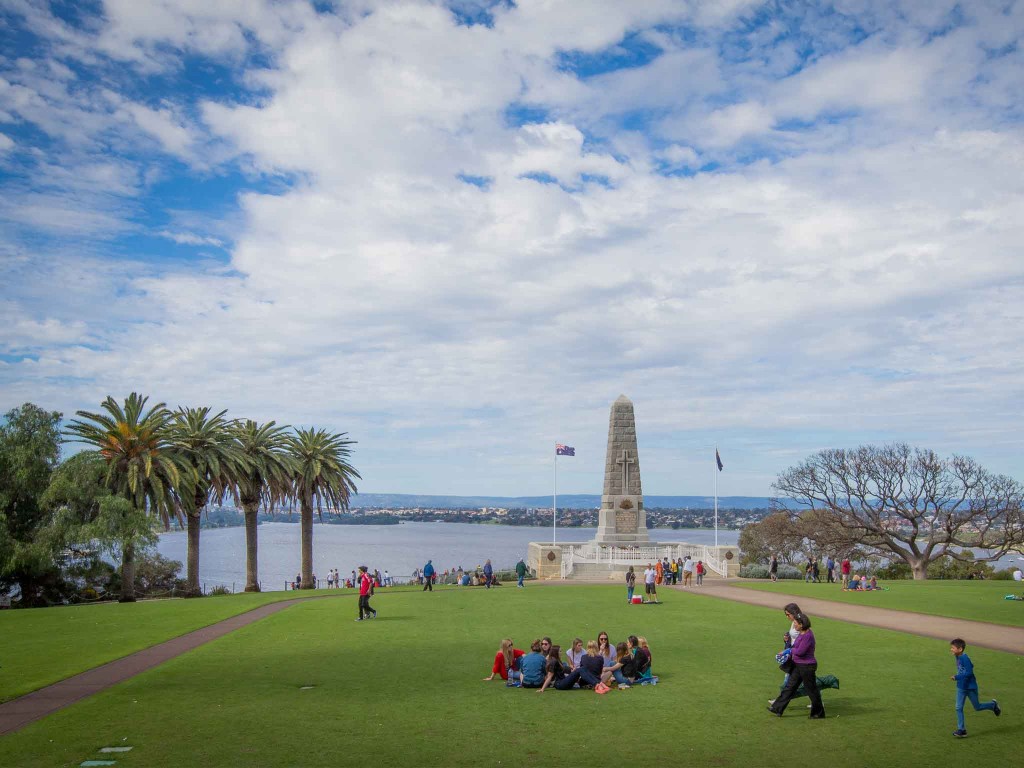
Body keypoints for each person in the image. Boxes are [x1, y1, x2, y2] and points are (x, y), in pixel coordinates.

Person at [767, 609, 824, 718]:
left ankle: (818, 713)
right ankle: (777, 708)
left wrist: (790, 651)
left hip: (807, 666)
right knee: (790, 687)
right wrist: (786, 650)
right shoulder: (802, 633)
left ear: (802, 625)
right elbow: (795, 647)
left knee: (811, 690)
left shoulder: (808, 636)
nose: (794, 625)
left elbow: (800, 651)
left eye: (796, 624)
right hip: (799, 665)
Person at [949, 638, 1000, 737]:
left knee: (977, 707)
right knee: (958, 708)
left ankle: (993, 705)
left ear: (960, 649)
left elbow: (969, 672)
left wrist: (957, 677)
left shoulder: (965, 658)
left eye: (953, 648)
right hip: (961, 687)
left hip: (970, 687)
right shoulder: (958, 656)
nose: (951, 649)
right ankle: (962, 730)